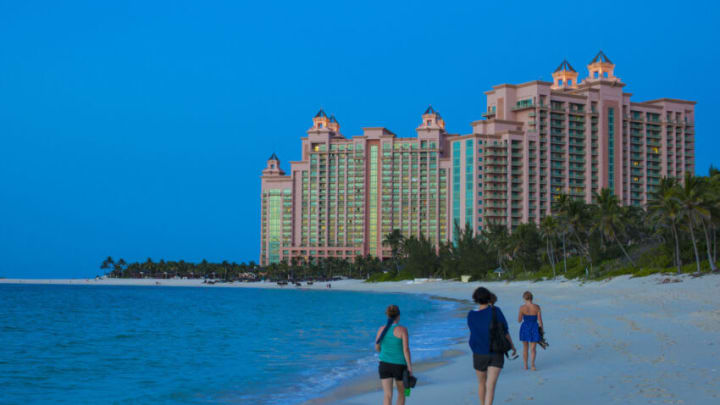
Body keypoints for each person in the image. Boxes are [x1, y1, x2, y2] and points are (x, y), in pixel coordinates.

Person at [468, 287, 517, 405]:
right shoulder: (496, 311)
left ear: (476, 299)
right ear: (489, 297)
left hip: (479, 353)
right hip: (496, 352)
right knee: (490, 386)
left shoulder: (471, 315)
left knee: (481, 383)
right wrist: (512, 347)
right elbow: (505, 331)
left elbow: (473, 332)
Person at [375, 305, 412, 405]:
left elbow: (377, 348)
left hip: (384, 365)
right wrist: (409, 367)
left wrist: (386, 351)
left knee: (387, 395)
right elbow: (406, 349)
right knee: (402, 394)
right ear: (398, 316)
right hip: (399, 366)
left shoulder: (381, 329)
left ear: (387, 315)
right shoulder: (403, 330)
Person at [518, 291, 543, 371]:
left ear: (524, 298)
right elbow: (540, 320)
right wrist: (541, 330)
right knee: (533, 348)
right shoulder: (537, 307)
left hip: (525, 326)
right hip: (534, 327)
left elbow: (519, 320)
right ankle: (532, 365)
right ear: (532, 298)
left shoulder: (522, 307)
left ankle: (525, 365)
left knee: (525, 347)